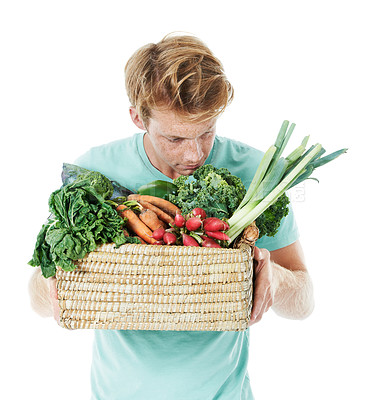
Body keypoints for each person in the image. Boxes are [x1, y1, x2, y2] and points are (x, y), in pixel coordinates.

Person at [29, 33, 314, 399]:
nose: (194, 154)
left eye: (207, 132)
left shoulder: (256, 174)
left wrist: (274, 278)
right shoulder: (92, 173)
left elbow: (305, 303)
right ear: (137, 117)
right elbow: (36, 301)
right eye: (175, 139)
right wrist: (62, 277)